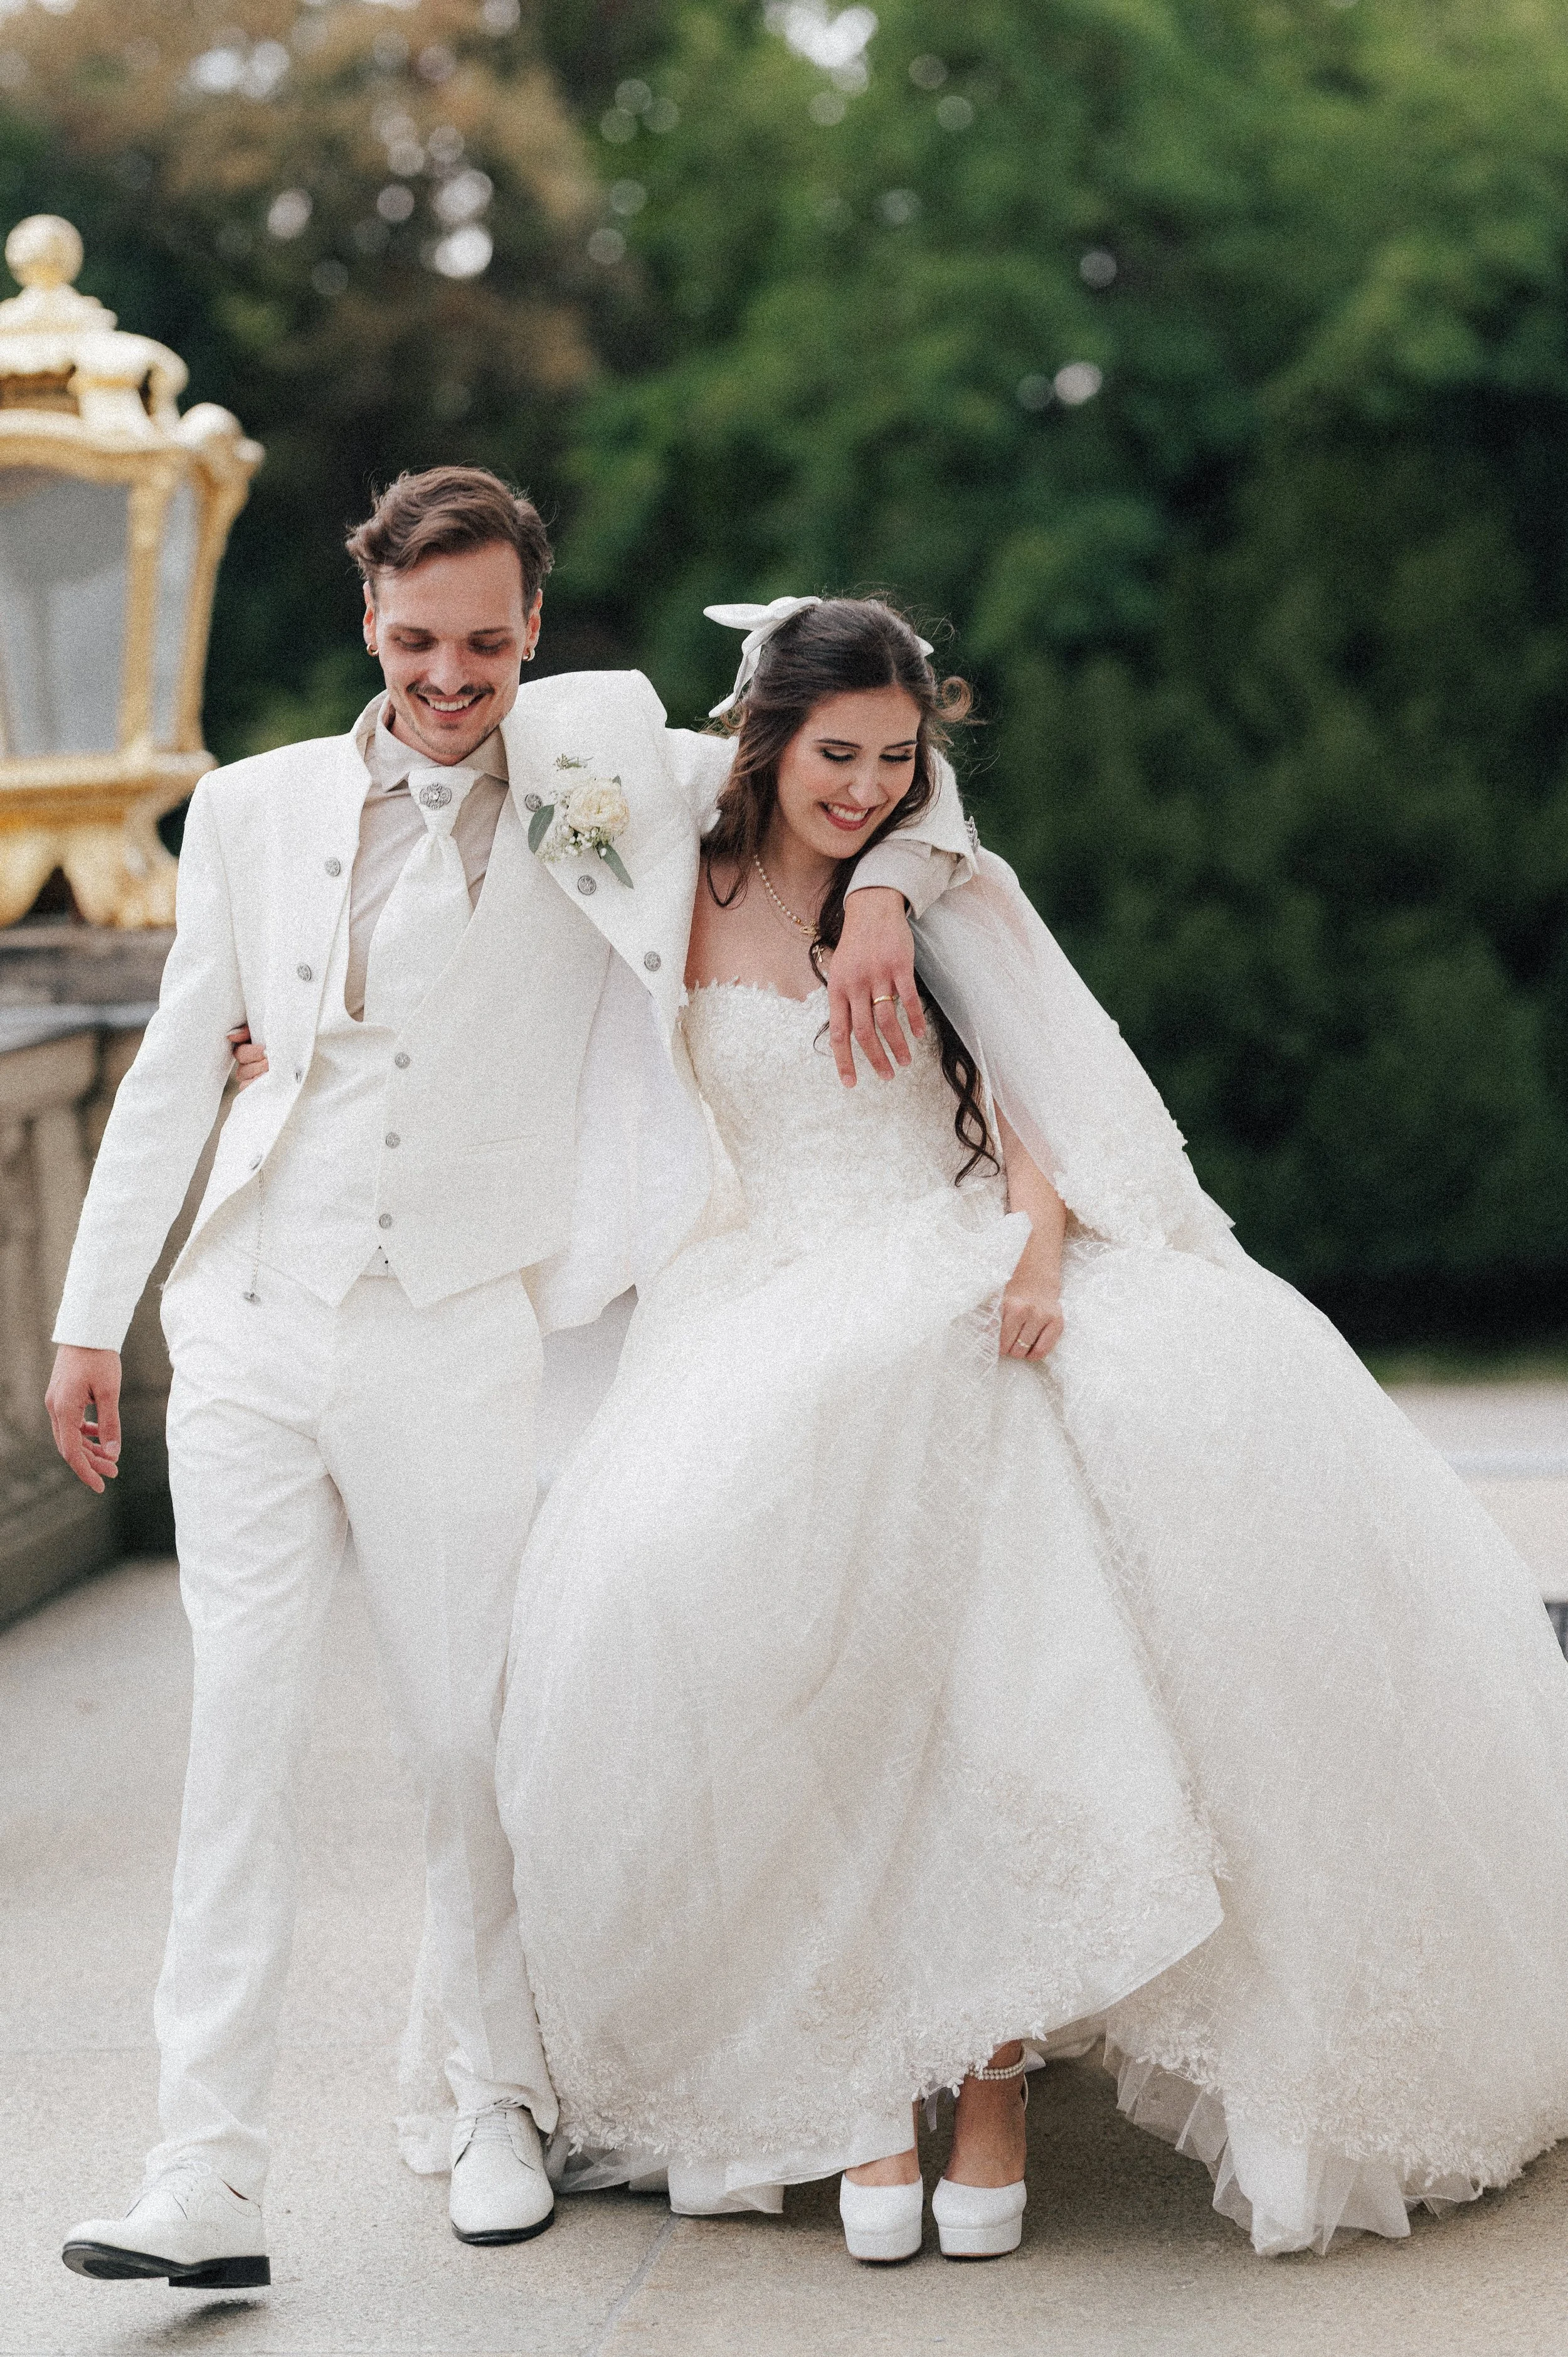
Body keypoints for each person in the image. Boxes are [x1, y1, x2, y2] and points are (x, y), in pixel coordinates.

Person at [491, 595, 1568, 2265]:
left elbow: (1037, 1099)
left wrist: (1033, 1221)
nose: (858, 788)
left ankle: (984, 2068)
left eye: (895, 762)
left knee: (999, 1549)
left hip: (942, 1244)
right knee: (696, 1576)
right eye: (829, 754)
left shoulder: (932, 890)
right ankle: (855, 2066)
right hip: (747, 1278)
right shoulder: (665, 870)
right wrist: (864, 832)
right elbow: (555, 718)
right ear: (764, 739)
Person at [42, 476, 968, 2292]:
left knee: (466, 1731)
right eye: (416, 640)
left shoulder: (605, 757)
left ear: (534, 628)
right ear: (366, 628)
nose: (450, 672)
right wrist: (92, 1320)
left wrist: (893, 892)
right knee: (236, 1741)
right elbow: (171, 1073)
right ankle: (204, 2170)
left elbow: (850, 766)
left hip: (454, 1316)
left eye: (484, 639)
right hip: (248, 1314)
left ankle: (498, 2099)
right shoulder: (251, 808)